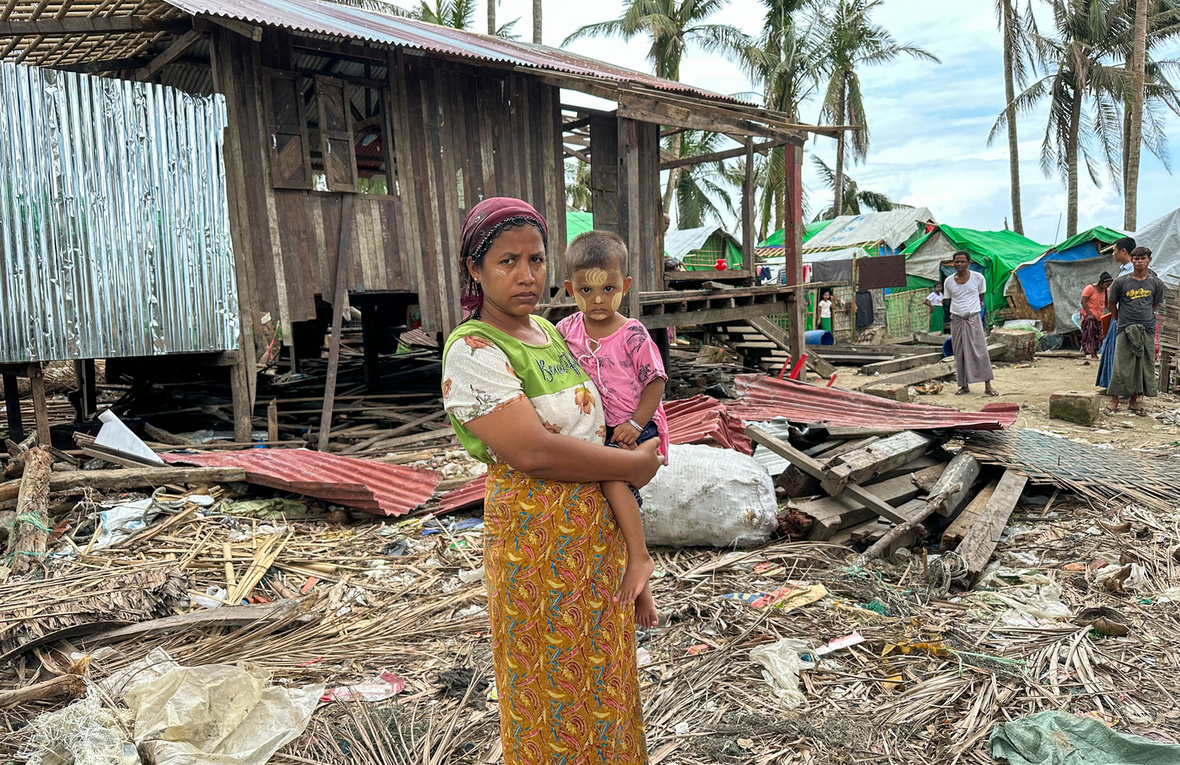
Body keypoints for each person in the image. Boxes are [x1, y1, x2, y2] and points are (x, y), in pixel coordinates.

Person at [441, 198, 658, 763]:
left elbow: (596, 419)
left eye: (536, 259)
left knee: (605, 676)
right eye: (507, 261)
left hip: (594, 534)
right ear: (475, 270)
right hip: (537, 540)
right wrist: (631, 467)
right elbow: (534, 453)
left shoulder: (549, 331)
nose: (526, 275)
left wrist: (635, 552)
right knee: (548, 683)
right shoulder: (473, 349)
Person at [556, 230, 667, 628]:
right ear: (570, 289)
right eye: (586, 290)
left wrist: (636, 424)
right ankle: (641, 583)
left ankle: (640, 560)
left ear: (626, 287)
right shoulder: (566, 330)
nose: (598, 299)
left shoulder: (632, 333)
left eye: (608, 288)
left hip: (635, 423)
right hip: (597, 429)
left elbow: (655, 381)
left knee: (615, 482)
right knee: (613, 507)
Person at [1105, 247, 1164, 417]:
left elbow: (1154, 305)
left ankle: (1133, 402)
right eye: (1136, 258)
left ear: (1149, 260)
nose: (1139, 261)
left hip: (1147, 328)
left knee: (1141, 365)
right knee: (1121, 364)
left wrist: (1144, 318)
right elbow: (1111, 304)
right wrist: (1119, 320)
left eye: (1143, 258)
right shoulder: (1120, 282)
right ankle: (1114, 400)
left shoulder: (1156, 283)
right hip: (1125, 328)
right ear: (1131, 260)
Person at [944, 251, 998, 396]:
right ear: (953, 263)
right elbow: (949, 299)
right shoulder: (948, 281)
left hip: (973, 318)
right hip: (956, 319)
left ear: (968, 263)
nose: (959, 264)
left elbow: (981, 295)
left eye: (962, 261)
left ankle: (988, 386)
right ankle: (963, 385)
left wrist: (976, 307)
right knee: (959, 352)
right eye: (957, 262)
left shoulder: (978, 278)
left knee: (979, 350)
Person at [1096, 236, 1137, 389]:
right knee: (1113, 349)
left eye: (1114, 251)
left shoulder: (1133, 271)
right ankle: (1113, 385)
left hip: (1127, 317)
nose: (1113, 254)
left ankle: (1126, 389)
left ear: (1123, 251)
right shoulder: (1124, 270)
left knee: (1124, 353)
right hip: (1118, 317)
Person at [1080, 272, 1113, 361]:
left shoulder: (1106, 291)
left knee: (1099, 335)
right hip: (1089, 316)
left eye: (1108, 285)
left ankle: (1095, 352)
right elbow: (1083, 302)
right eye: (1106, 284)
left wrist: (1113, 312)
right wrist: (1089, 313)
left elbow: (1106, 304)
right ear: (1101, 282)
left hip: (1099, 316)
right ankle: (1092, 354)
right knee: (1090, 335)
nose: (1107, 286)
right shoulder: (1090, 288)